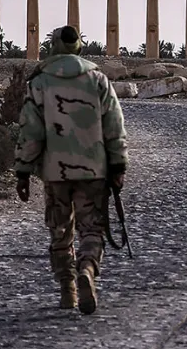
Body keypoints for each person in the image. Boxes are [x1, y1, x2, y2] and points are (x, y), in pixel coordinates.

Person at [14, 25, 128, 315]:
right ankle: (88, 269)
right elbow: (115, 126)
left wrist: (23, 171)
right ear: (79, 47)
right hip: (94, 170)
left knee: (59, 230)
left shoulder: (39, 82)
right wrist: (118, 165)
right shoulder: (98, 78)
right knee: (93, 228)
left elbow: (30, 131)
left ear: (53, 47)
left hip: (55, 171)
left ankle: (68, 290)